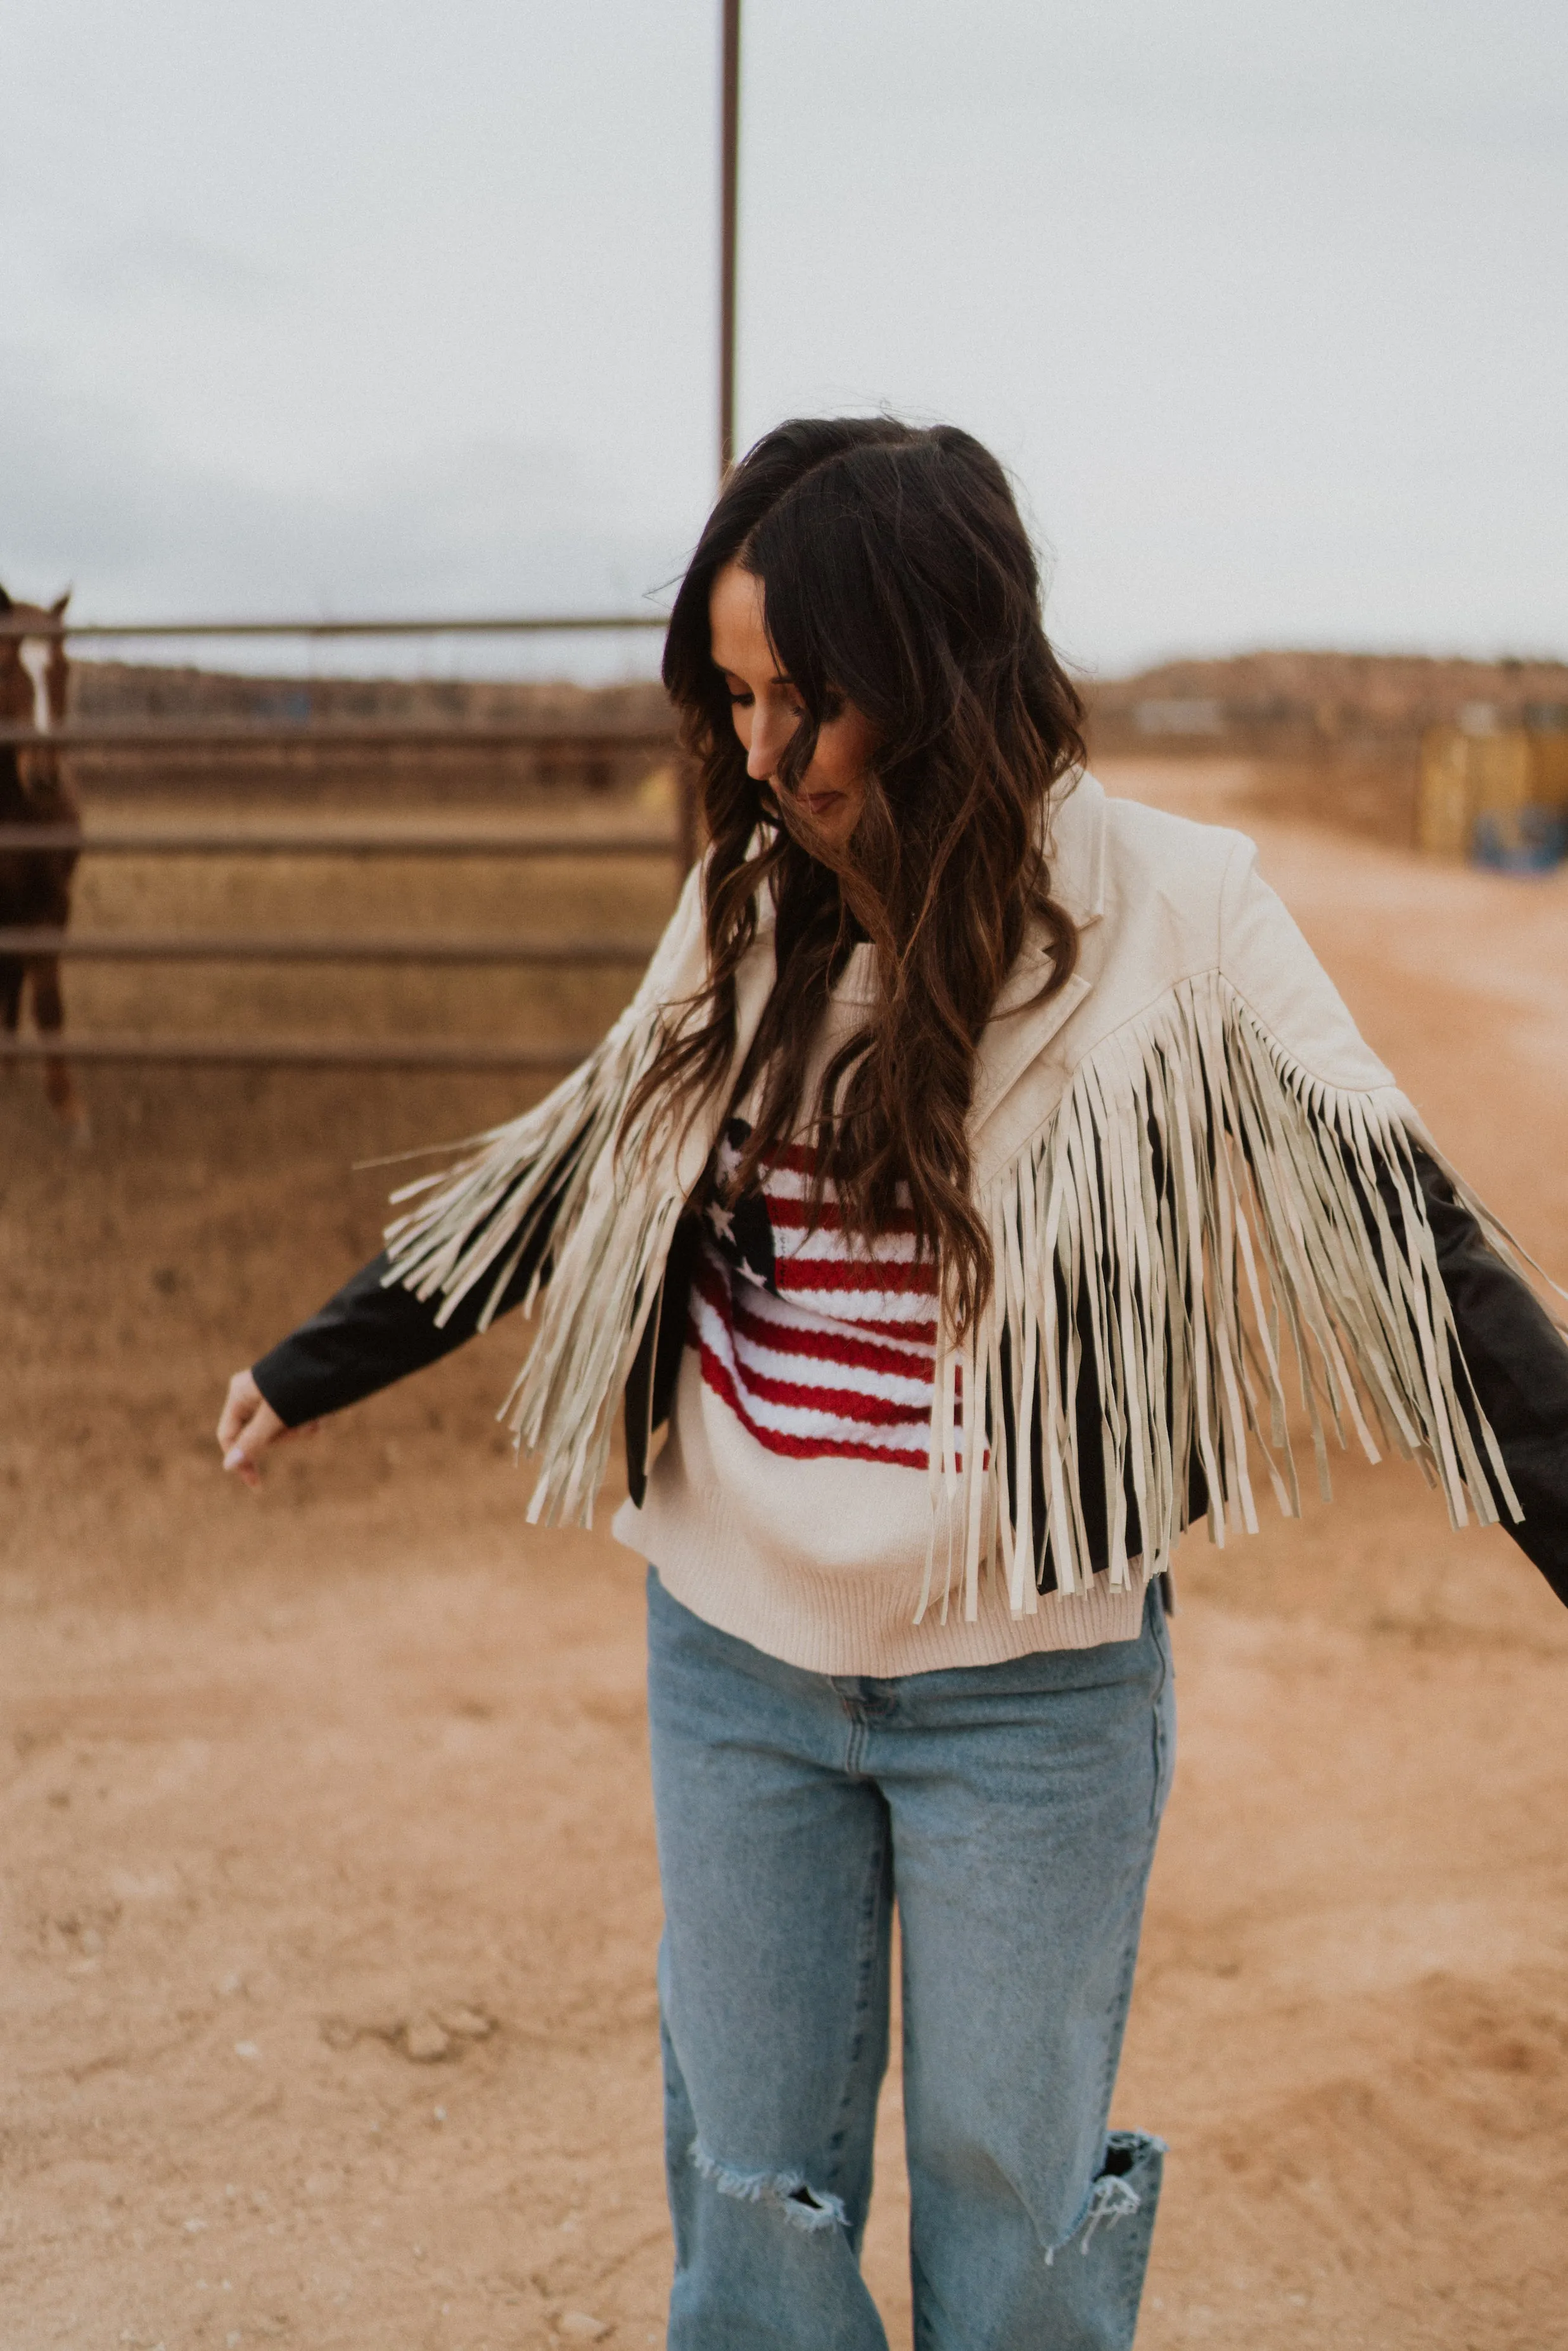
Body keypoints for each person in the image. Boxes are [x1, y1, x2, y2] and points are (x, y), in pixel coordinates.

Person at [216, 417, 1568, 2351]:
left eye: (810, 701)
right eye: (739, 696)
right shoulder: (742, 917)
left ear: (942, 679)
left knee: (1015, 2254)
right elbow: (569, 1167)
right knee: (755, 2221)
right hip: (735, 1663)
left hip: (1035, 1695)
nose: (761, 758)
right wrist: (316, 1360)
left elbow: (1422, 1250)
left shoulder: (1181, 919)